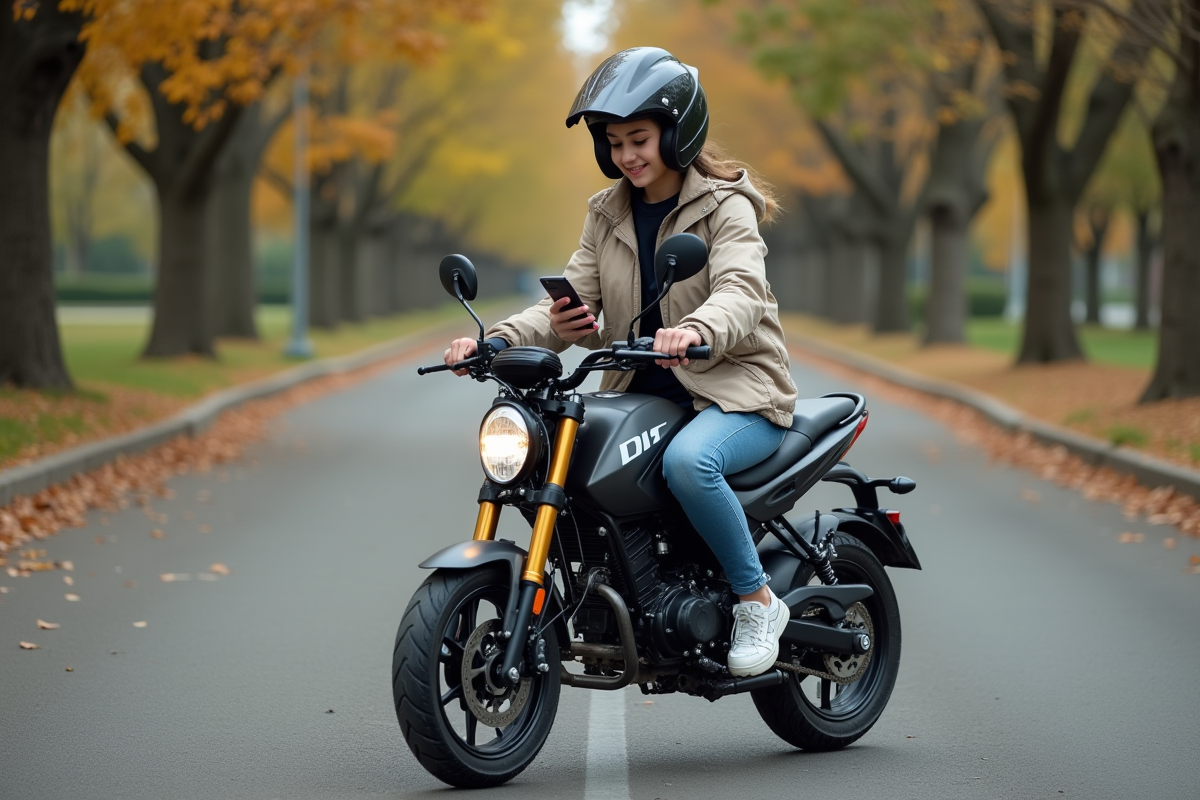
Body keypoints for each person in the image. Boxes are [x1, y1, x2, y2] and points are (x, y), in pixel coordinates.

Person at [443, 47, 798, 678]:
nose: (628, 155)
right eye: (614, 143)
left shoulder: (727, 206)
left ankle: (756, 600)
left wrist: (696, 328)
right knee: (571, 455)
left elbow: (741, 291)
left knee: (691, 464)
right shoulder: (606, 213)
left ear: (677, 133)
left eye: (640, 139)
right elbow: (566, 303)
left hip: (736, 392)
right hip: (644, 392)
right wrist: (494, 342)